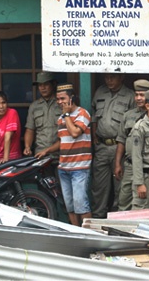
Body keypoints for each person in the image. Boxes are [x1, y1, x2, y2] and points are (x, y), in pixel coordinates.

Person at [36, 84, 92, 226]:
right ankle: (76, 232)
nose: (59, 102)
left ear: (72, 98)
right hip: (64, 167)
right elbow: (62, 141)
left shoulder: (82, 114)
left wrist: (67, 115)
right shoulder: (61, 118)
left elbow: (74, 133)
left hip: (80, 166)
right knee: (70, 206)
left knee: (81, 204)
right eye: (58, 99)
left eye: (63, 99)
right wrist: (47, 150)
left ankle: (89, 233)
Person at [90, 73, 135, 218]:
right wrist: (94, 133)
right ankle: (98, 217)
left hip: (120, 147)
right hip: (102, 146)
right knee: (99, 187)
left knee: (120, 187)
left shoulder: (129, 95)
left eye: (112, 77)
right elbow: (94, 115)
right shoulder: (100, 92)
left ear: (121, 77)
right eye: (106, 77)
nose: (109, 80)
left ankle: (117, 219)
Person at [114, 79, 149, 211]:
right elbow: (121, 140)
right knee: (124, 201)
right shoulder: (128, 116)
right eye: (136, 95)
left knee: (145, 204)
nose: (138, 98)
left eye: (142, 95)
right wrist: (117, 164)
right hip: (130, 166)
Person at [23, 72, 62, 157]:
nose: (43, 88)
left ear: (53, 84)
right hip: (41, 154)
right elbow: (30, 130)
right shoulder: (34, 106)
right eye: (40, 85)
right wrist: (27, 147)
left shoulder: (61, 103)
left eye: (46, 84)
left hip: (61, 153)